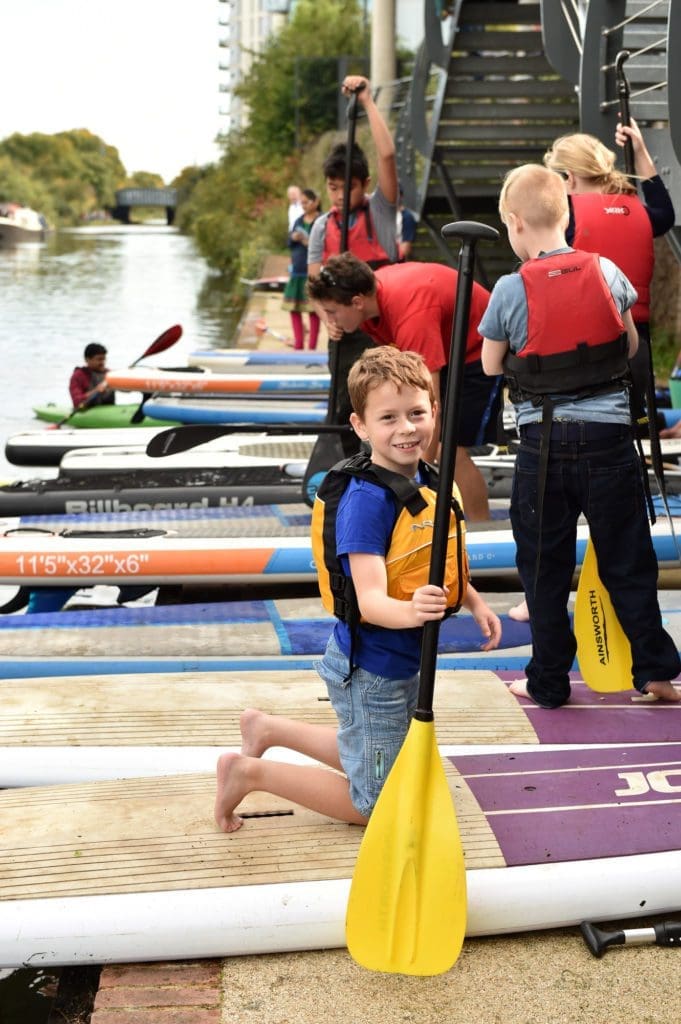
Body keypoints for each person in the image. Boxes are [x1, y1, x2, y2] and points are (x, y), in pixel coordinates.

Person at [214, 347, 502, 832]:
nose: (407, 428)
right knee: (375, 804)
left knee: (370, 744)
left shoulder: (431, 478)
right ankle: (248, 772)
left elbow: (437, 556)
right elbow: (370, 600)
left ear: (434, 409)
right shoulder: (367, 503)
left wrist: (470, 600)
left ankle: (266, 729)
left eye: (416, 413)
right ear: (361, 426)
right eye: (388, 418)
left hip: (401, 658)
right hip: (372, 668)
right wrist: (415, 612)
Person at [479, 162, 680, 708]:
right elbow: (631, 348)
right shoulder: (607, 272)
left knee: (543, 570)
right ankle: (657, 673)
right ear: (567, 215)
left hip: (542, 450)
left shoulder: (508, 288)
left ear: (515, 224)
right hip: (610, 445)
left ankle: (548, 683)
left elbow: (492, 366)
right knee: (628, 562)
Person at [509, 118, 675, 622]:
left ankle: (542, 595)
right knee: (619, 479)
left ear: (566, 178)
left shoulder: (570, 215)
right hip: (636, 347)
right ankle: (630, 591)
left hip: (581, 358)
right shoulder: (642, 208)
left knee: (564, 491)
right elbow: (665, 208)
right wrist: (642, 151)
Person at [307, 252, 502, 522]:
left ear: (356, 302)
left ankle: (481, 527)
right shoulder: (371, 301)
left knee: (448, 450)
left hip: (478, 351)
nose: (330, 321)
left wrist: (421, 466)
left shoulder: (411, 315)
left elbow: (429, 402)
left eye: (332, 313)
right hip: (444, 340)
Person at [307, 74, 399, 450]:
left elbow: (388, 156)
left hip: (381, 327)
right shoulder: (320, 227)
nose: (340, 195)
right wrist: (327, 319)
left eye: (348, 187)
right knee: (347, 409)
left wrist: (367, 102)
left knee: (386, 401)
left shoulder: (380, 211)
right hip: (343, 333)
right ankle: (348, 471)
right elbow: (314, 286)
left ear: (364, 184)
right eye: (332, 188)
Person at [282, 189, 322, 350]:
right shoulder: (298, 220)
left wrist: (308, 241)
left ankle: (312, 347)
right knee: (294, 308)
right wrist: (293, 237)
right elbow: (288, 242)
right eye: (302, 203)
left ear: (315, 202)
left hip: (312, 270)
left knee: (313, 309)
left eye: (306, 202)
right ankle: (298, 344)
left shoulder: (322, 220)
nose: (303, 206)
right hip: (297, 269)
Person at [69, 342, 114, 409]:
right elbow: (77, 402)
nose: (102, 362)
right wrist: (96, 390)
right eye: (99, 359)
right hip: (86, 409)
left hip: (108, 408)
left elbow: (127, 390)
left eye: (104, 359)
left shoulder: (109, 374)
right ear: (87, 359)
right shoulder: (78, 376)